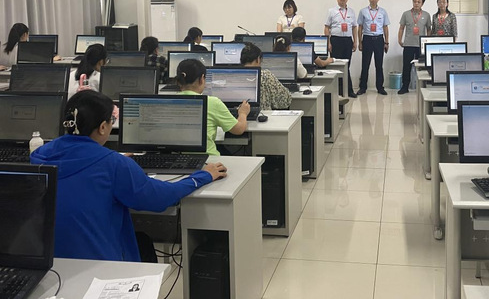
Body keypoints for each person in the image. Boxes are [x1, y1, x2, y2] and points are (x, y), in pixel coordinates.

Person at [30, 90, 226, 261]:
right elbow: (159, 198)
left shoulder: (40, 155)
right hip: (99, 263)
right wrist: (201, 177)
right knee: (143, 245)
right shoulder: (113, 164)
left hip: (47, 260)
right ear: (102, 127)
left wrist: (114, 160)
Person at [177, 59, 249, 155]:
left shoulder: (167, 101)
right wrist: (243, 113)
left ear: (179, 81)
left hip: (177, 159)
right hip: (207, 159)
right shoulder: (212, 102)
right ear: (202, 79)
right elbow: (239, 129)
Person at [324, 0, 358, 98]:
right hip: (335, 40)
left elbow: (354, 27)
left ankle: (348, 90)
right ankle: (337, 91)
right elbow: (327, 27)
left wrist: (355, 41)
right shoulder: (331, 11)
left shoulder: (351, 11)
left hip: (347, 41)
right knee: (335, 66)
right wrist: (328, 42)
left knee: (346, 66)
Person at [357, 0, 389, 95]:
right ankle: (362, 87)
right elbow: (360, 27)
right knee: (365, 65)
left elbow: (385, 27)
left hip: (379, 40)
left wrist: (386, 42)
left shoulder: (383, 12)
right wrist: (360, 42)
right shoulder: (363, 11)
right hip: (367, 39)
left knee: (379, 65)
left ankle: (380, 87)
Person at [241, 42, 292, 110]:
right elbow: (285, 101)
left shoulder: (235, 76)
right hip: (262, 115)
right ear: (258, 59)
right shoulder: (266, 76)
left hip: (239, 115)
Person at [397, 0, 431, 94]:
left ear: (422, 4)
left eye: (418, 2)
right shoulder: (406, 14)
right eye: (415, 1)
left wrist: (428, 41)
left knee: (422, 67)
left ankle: (422, 87)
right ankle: (405, 86)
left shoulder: (426, 15)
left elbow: (429, 29)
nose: (416, 3)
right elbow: (401, 28)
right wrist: (400, 40)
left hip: (421, 45)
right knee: (406, 66)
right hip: (408, 44)